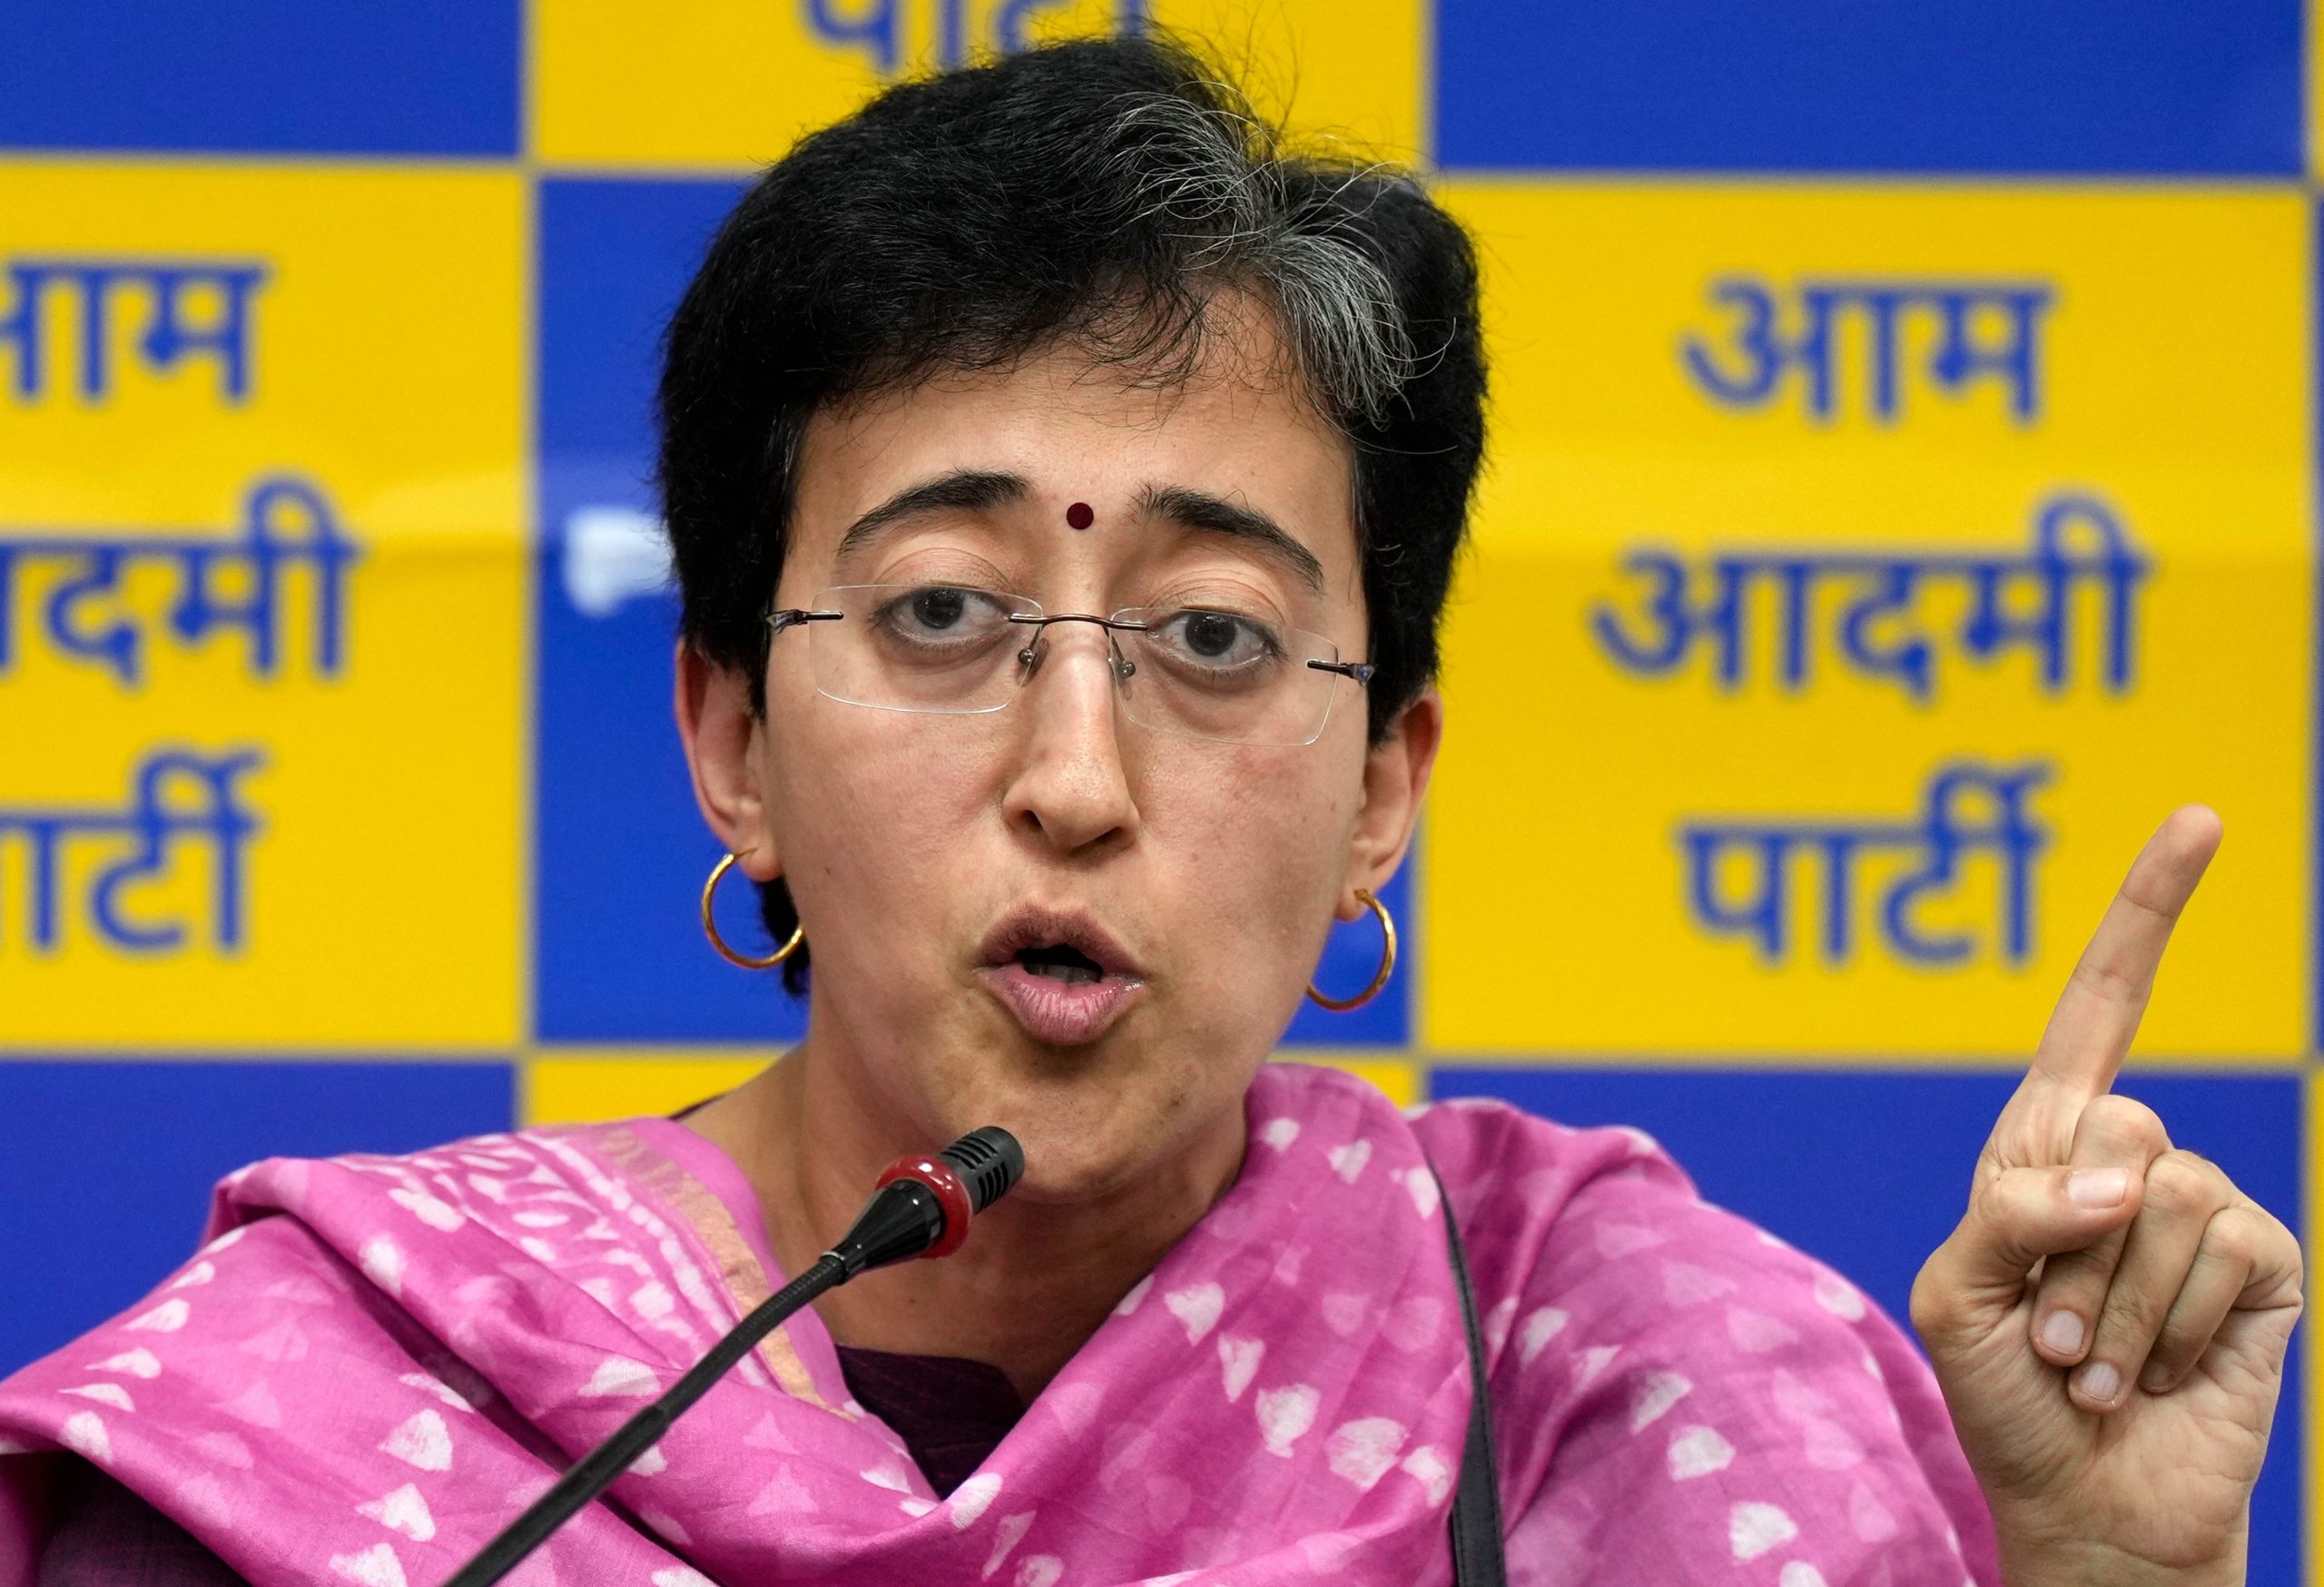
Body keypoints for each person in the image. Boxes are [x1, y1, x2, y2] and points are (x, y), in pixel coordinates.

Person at [0, 33, 2301, 1587]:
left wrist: (2093, 1575)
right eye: (939, 613)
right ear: (729, 740)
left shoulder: (1608, 1380)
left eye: (1211, 636)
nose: (1076, 780)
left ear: (1381, 785)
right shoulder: (348, 1422)